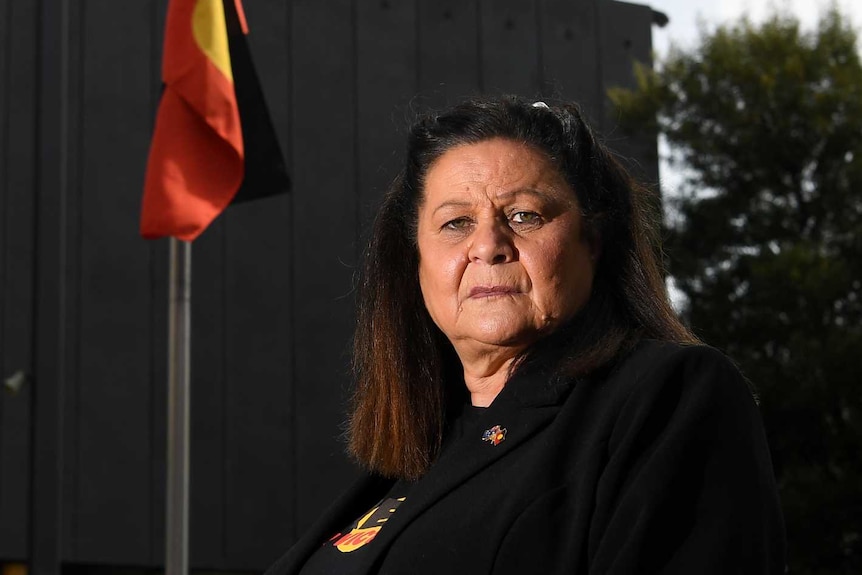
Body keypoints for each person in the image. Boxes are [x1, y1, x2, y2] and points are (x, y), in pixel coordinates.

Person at [265, 96, 786, 574]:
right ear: (414, 261)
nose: (488, 245)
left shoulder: (669, 395)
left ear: (593, 242)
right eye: (455, 223)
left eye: (524, 215)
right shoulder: (420, 452)